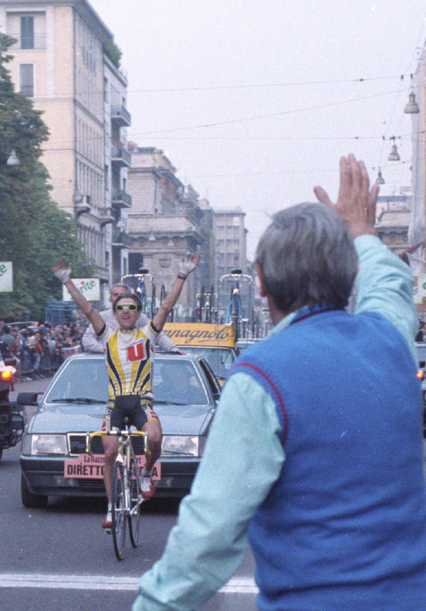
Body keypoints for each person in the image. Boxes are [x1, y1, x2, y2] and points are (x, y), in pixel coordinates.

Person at [133, 155, 426, 611]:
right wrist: (363, 235)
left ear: (262, 282)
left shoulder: (258, 377)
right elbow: (390, 289)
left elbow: (209, 535)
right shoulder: (391, 345)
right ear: (350, 277)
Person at [52, 254, 200, 529]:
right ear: (115, 312)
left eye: (132, 307)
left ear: (138, 311)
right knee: (108, 453)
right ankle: (110, 507)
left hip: (142, 403)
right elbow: (86, 308)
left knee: (155, 439)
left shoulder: (149, 334)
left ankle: (145, 474)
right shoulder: (106, 334)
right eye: (121, 307)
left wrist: (182, 274)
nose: (127, 311)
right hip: (115, 405)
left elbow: (167, 306)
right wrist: (66, 280)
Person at [82, 282, 182, 354]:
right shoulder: (102, 317)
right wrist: (106, 350)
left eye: (122, 295)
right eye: (115, 295)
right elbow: (87, 339)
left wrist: (173, 349)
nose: (119, 298)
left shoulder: (140, 318)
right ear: (110, 298)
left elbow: (158, 335)